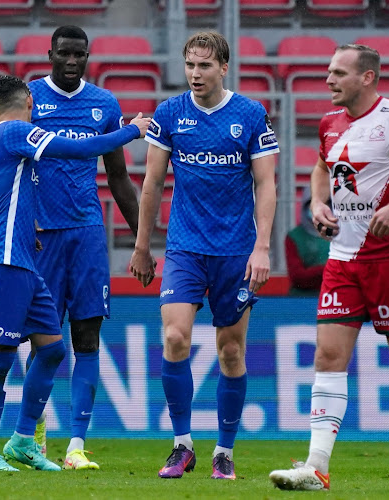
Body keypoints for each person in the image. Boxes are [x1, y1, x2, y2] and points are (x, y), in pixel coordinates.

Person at [267, 44, 389, 493]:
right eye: (328, 71)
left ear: (368, 78)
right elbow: (322, 167)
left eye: (339, 73)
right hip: (342, 259)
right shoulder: (329, 124)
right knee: (328, 358)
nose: (328, 80)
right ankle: (316, 468)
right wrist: (318, 202)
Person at [0, 75, 149, 472]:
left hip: (20, 260)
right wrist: (130, 131)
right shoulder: (18, 132)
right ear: (30, 102)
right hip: (5, 261)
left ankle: (21, 441)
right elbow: (80, 149)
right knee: (1, 355)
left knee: (51, 349)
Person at [129, 31, 278, 480]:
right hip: (185, 248)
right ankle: (181, 445)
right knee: (175, 339)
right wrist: (141, 245)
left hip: (235, 251)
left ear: (224, 67)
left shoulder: (250, 114)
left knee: (231, 351)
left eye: (205, 66)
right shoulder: (170, 113)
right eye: (191, 65)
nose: (196, 73)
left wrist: (262, 247)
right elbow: (152, 183)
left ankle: (225, 451)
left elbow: (266, 184)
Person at [26, 25, 142, 470]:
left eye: (80, 55)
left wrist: (141, 238)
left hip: (89, 235)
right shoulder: (31, 99)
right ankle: (32, 436)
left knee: (87, 337)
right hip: (42, 236)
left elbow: (118, 177)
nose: (72, 62)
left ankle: (76, 445)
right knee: (43, 342)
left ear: (88, 55)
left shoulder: (104, 104)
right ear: (50, 53)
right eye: (64, 54)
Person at [285, 197, 331, 294]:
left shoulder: (340, 233)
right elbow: (297, 276)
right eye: (312, 207)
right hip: (302, 299)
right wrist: (330, 268)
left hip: (333, 296)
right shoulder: (294, 236)